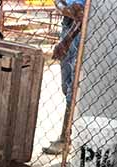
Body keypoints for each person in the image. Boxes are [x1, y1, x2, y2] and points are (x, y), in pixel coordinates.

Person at [42, 0, 85, 155]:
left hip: (80, 30)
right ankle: (68, 135)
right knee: (66, 86)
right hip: (68, 24)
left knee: (73, 88)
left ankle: (65, 139)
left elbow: (83, 14)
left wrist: (66, 41)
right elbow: (58, 2)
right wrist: (65, 9)